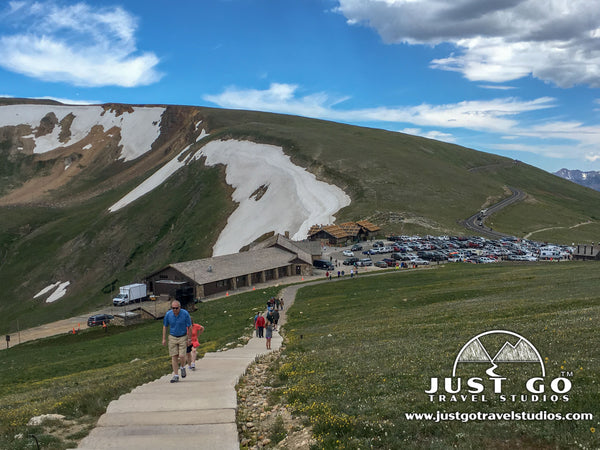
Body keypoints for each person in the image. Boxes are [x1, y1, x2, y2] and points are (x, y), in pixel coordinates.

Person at [162, 300, 192, 383]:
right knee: (174, 356)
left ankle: (182, 367)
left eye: (176, 308)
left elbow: (189, 326)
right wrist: (164, 338)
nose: (175, 310)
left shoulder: (185, 314)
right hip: (172, 336)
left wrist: (189, 338)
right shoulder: (168, 314)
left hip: (182, 336)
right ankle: (175, 375)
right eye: (173, 308)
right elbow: (165, 326)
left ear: (180, 307)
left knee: (182, 356)